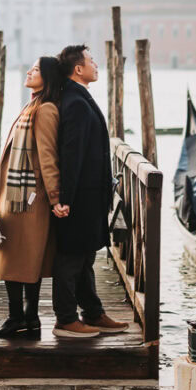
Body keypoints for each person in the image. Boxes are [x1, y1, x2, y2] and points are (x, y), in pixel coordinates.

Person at [51, 43, 129, 339]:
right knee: (71, 257)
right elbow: (72, 156)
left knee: (85, 257)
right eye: (92, 61)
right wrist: (65, 199)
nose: (96, 65)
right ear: (78, 69)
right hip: (79, 197)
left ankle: (93, 313)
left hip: (90, 195)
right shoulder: (75, 103)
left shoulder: (78, 99)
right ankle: (66, 319)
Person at [0, 55, 63, 340]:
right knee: (18, 260)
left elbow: (47, 157)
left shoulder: (45, 110)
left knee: (22, 260)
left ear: (49, 77)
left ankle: (21, 318)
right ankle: (25, 319)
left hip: (28, 200)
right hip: (16, 197)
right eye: (31, 67)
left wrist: (55, 197)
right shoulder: (33, 104)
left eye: (37, 69)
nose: (30, 71)